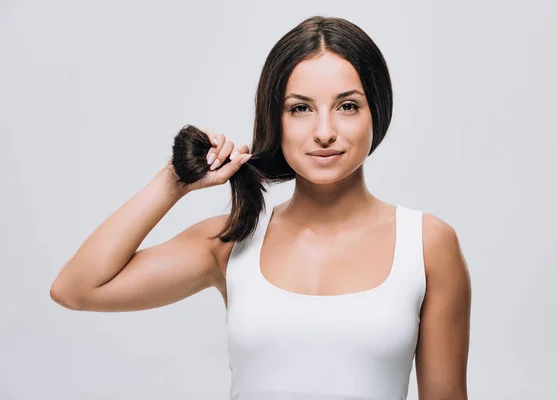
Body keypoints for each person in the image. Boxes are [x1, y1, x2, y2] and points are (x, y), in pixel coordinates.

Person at [50, 15, 471, 400]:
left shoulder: (427, 245)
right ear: (275, 119)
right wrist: (174, 181)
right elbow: (77, 289)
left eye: (347, 106)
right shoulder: (230, 242)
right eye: (300, 108)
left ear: (376, 113)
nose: (324, 132)